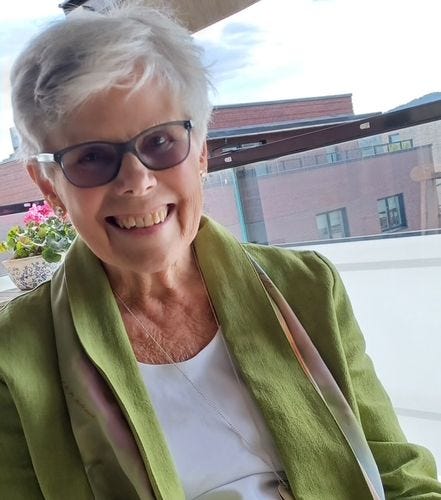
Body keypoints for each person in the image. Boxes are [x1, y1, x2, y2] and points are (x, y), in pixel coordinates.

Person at [1, 2, 440, 499]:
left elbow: (398, 475)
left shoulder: (308, 286)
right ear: (50, 186)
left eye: (161, 142)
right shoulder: (13, 353)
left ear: (202, 153)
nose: (137, 181)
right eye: (92, 158)